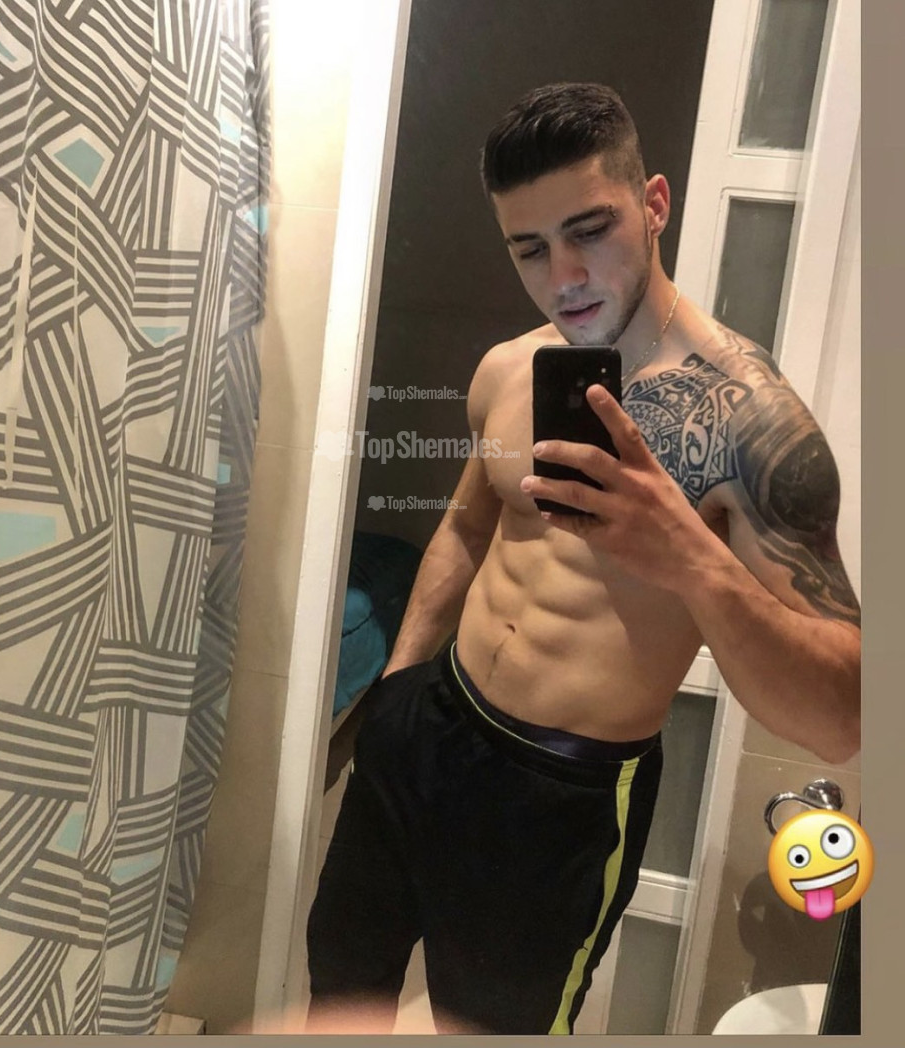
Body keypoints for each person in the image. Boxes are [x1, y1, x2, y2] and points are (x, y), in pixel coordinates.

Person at [305, 82, 861, 1035]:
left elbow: (842, 717)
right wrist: (396, 692)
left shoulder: (755, 428)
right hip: (429, 725)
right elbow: (467, 530)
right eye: (529, 248)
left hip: (561, 794)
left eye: (589, 230)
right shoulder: (509, 368)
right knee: (339, 994)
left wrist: (688, 555)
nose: (563, 276)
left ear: (654, 204)